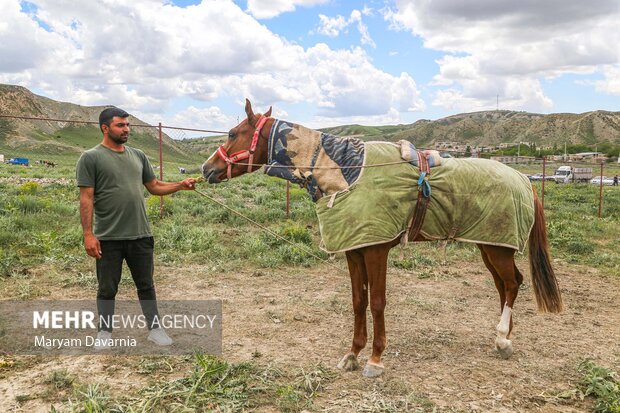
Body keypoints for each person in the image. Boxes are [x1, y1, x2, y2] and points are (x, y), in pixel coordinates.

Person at [76, 107, 196, 349]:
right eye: (121, 125)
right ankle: (105, 332)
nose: (126, 129)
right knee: (107, 288)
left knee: (146, 285)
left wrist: (180, 186)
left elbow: (154, 186)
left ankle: (155, 329)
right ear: (105, 128)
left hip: (141, 234)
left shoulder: (138, 155)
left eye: (128, 125)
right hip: (108, 237)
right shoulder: (90, 158)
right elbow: (86, 198)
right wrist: (88, 235)